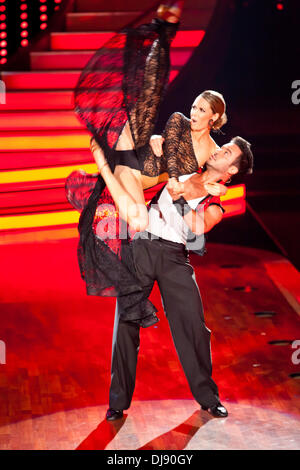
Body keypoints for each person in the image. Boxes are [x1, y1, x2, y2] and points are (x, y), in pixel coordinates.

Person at [66, 1, 228, 327]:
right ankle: (162, 31)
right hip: (136, 154)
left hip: (127, 173)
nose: (193, 113)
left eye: (201, 111)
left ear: (214, 119)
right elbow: (157, 119)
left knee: (137, 220)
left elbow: (188, 190)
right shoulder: (180, 124)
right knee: (144, 96)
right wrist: (158, 140)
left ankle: (103, 164)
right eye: (194, 107)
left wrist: (102, 162)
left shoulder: (212, 153)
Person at [104, 136, 254, 421]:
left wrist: (180, 198)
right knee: (125, 321)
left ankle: (208, 398)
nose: (219, 150)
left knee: (193, 328)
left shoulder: (215, 202)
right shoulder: (184, 168)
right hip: (143, 246)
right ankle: (117, 401)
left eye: (227, 152)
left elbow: (197, 229)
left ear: (231, 170)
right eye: (223, 146)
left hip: (175, 258)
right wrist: (154, 144)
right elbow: (143, 176)